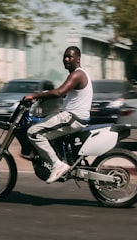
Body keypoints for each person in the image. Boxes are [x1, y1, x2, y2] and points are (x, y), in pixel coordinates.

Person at [22, 45, 93, 183]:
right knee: (42, 122)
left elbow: (59, 92)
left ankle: (57, 165)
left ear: (78, 59)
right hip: (73, 117)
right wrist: (42, 102)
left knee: (33, 132)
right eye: (64, 56)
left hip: (73, 117)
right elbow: (62, 94)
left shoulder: (77, 74)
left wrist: (34, 96)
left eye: (70, 56)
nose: (66, 59)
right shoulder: (76, 75)